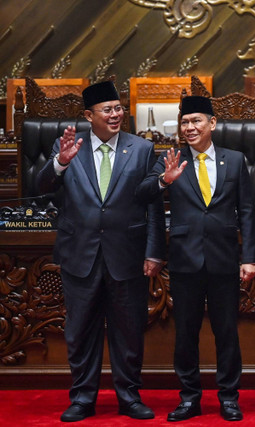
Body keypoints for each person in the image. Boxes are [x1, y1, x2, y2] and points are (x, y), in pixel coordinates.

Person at [36, 81, 165, 422]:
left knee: (129, 331)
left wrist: (154, 252)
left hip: (128, 254)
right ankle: (82, 398)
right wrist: (60, 163)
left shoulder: (141, 149)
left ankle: (129, 397)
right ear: (88, 116)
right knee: (80, 332)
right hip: (80, 254)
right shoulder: (67, 146)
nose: (116, 114)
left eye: (119, 108)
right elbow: (41, 186)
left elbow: (151, 204)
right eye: (107, 110)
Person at [135, 96, 255, 422]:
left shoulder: (234, 160)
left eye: (196, 121)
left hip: (224, 260)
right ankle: (189, 398)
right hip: (185, 260)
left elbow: (246, 210)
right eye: (184, 122)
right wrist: (165, 180)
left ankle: (229, 398)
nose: (189, 128)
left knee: (227, 333)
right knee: (185, 334)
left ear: (212, 123)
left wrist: (249, 257)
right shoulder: (170, 159)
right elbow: (141, 192)